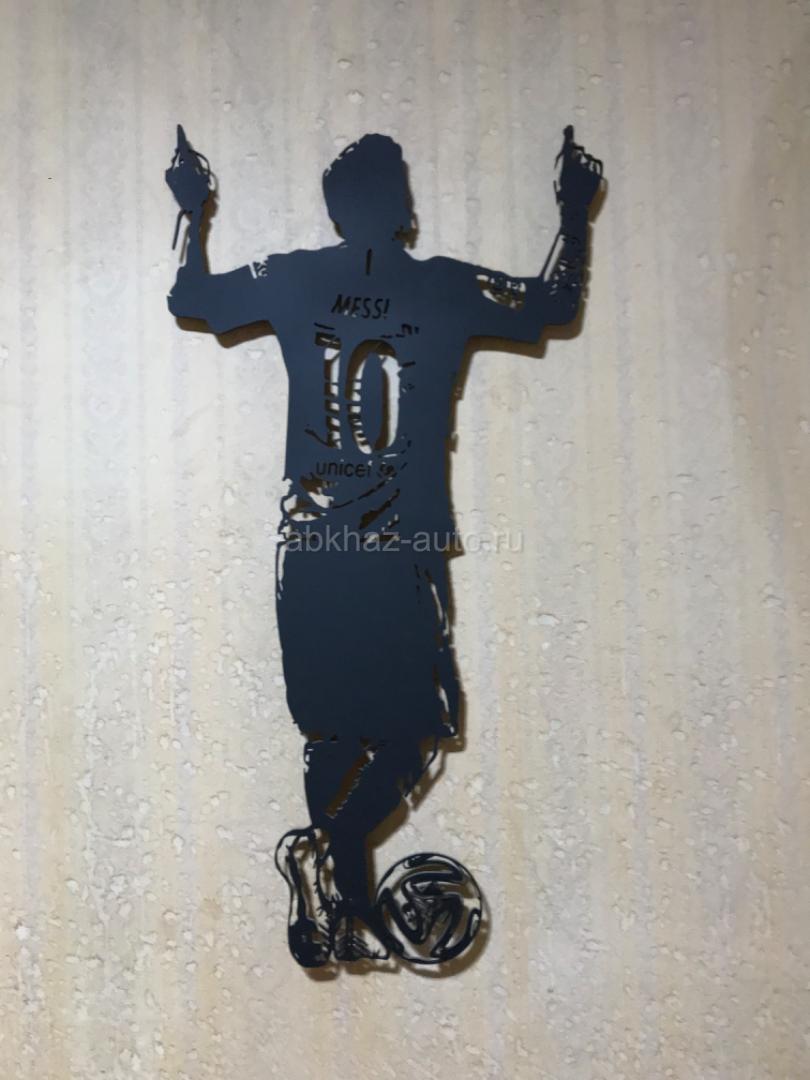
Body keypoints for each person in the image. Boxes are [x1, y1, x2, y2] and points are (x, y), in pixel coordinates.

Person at [166, 126, 603, 966]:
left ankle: (344, 909)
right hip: (400, 546)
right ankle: (328, 853)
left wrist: (192, 209)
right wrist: (574, 211)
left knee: (332, 738)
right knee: (418, 738)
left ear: (336, 210)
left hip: (308, 547)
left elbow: (191, 298)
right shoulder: (442, 286)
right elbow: (553, 302)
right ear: (400, 204)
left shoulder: (291, 276)